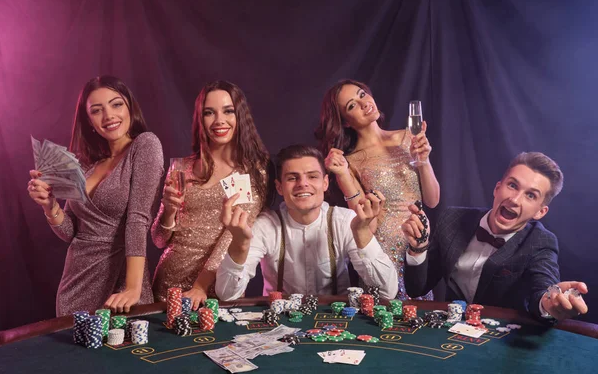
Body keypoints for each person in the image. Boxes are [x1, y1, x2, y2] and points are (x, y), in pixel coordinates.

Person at [27, 75, 164, 316]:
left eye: (116, 104)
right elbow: (71, 233)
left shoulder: (145, 145)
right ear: (89, 121)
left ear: (129, 106)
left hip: (119, 282)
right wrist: (50, 206)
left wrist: (132, 288)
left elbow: (138, 220)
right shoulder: (83, 164)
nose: (109, 115)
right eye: (97, 110)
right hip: (75, 283)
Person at [402, 152, 589, 321]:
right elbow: (417, 289)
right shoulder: (452, 219)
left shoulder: (540, 242)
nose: (514, 200)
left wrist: (548, 302)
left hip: (501, 341)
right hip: (449, 332)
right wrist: (418, 248)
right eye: (512, 185)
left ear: (540, 212)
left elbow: (542, 287)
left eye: (530, 195)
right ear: (497, 188)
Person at [215, 145, 399, 301]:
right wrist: (240, 244)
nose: (303, 184)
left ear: (325, 183)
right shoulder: (265, 225)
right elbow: (227, 295)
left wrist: (362, 232)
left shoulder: (345, 221)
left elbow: (387, 292)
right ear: (279, 187)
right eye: (292, 178)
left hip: (339, 325)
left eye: (312, 176)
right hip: (278, 327)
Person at [314, 79, 440, 300]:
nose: (363, 104)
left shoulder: (409, 137)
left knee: (418, 318)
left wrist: (424, 161)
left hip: (417, 244)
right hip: (383, 250)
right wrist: (343, 174)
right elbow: (367, 225)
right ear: (345, 122)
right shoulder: (350, 161)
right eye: (351, 105)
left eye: (362, 94)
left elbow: (432, 201)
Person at [151, 81, 270, 310]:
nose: (219, 120)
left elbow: (231, 236)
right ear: (200, 119)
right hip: (168, 283)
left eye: (228, 111)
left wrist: (200, 286)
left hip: (215, 287)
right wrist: (168, 211)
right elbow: (159, 240)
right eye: (209, 113)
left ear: (240, 116)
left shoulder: (252, 171)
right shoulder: (182, 167)